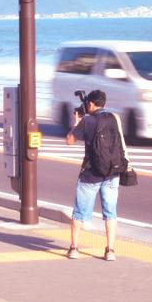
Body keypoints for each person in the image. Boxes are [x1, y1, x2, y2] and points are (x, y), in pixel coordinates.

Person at [64, 89, 125, 261]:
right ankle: (110, 251)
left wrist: (77, 123)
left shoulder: (87, 121)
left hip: (91, 174)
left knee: (79, 213)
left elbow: (69, 140)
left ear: (90, 104)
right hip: (112, 173)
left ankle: (74, 248)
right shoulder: (115, 118)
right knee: (110, 213)